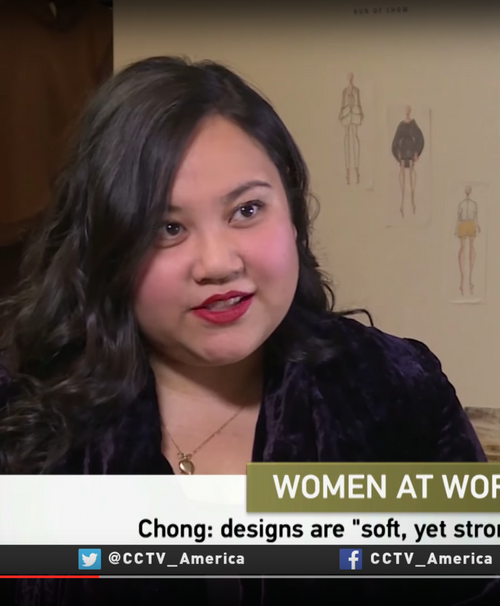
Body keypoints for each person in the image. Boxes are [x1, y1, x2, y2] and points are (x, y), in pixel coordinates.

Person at [0, 56, 497, 606]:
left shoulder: (395, 391)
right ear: (105, 249)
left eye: (247, 210)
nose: (217, 263)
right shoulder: (19, 422)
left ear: (293, 213)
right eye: (168, 227)